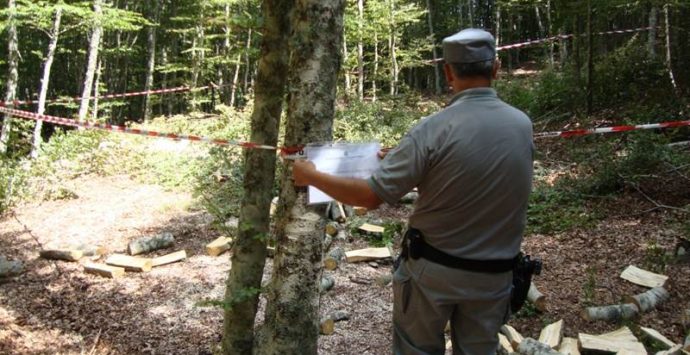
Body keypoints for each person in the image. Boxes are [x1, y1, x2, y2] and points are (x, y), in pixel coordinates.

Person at [292, 28, 533, 355]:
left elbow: (370, 196)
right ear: (496, 67)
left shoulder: (432, 129)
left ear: (448, 72)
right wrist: (414, 164)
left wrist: (312, 176)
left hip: (433, 274)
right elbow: (477, 179)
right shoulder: (522, 125)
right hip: (494, 278)